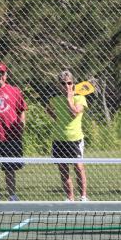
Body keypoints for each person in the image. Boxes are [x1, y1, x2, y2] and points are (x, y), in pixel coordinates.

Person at [47, 70, 88, 201]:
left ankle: (83, 197)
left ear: (73, 84)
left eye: (69, 83)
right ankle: (70, 198)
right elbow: (49, 110)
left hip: (75, 139)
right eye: (63, 83)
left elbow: (74, 113)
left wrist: (69, 98)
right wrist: (56, 118)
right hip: (59, 139)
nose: (66, 86)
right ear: (59, 85)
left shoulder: (80, 98)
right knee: (63, 170)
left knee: (79, 168)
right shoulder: (54, 99)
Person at [0, 62, 27, 201]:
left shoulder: (14, 91)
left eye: (1, 74)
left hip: (10, 136)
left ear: (6, 75)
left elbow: (21, 110)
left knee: (10, 168)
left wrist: (21, 127)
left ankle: (12, 195)